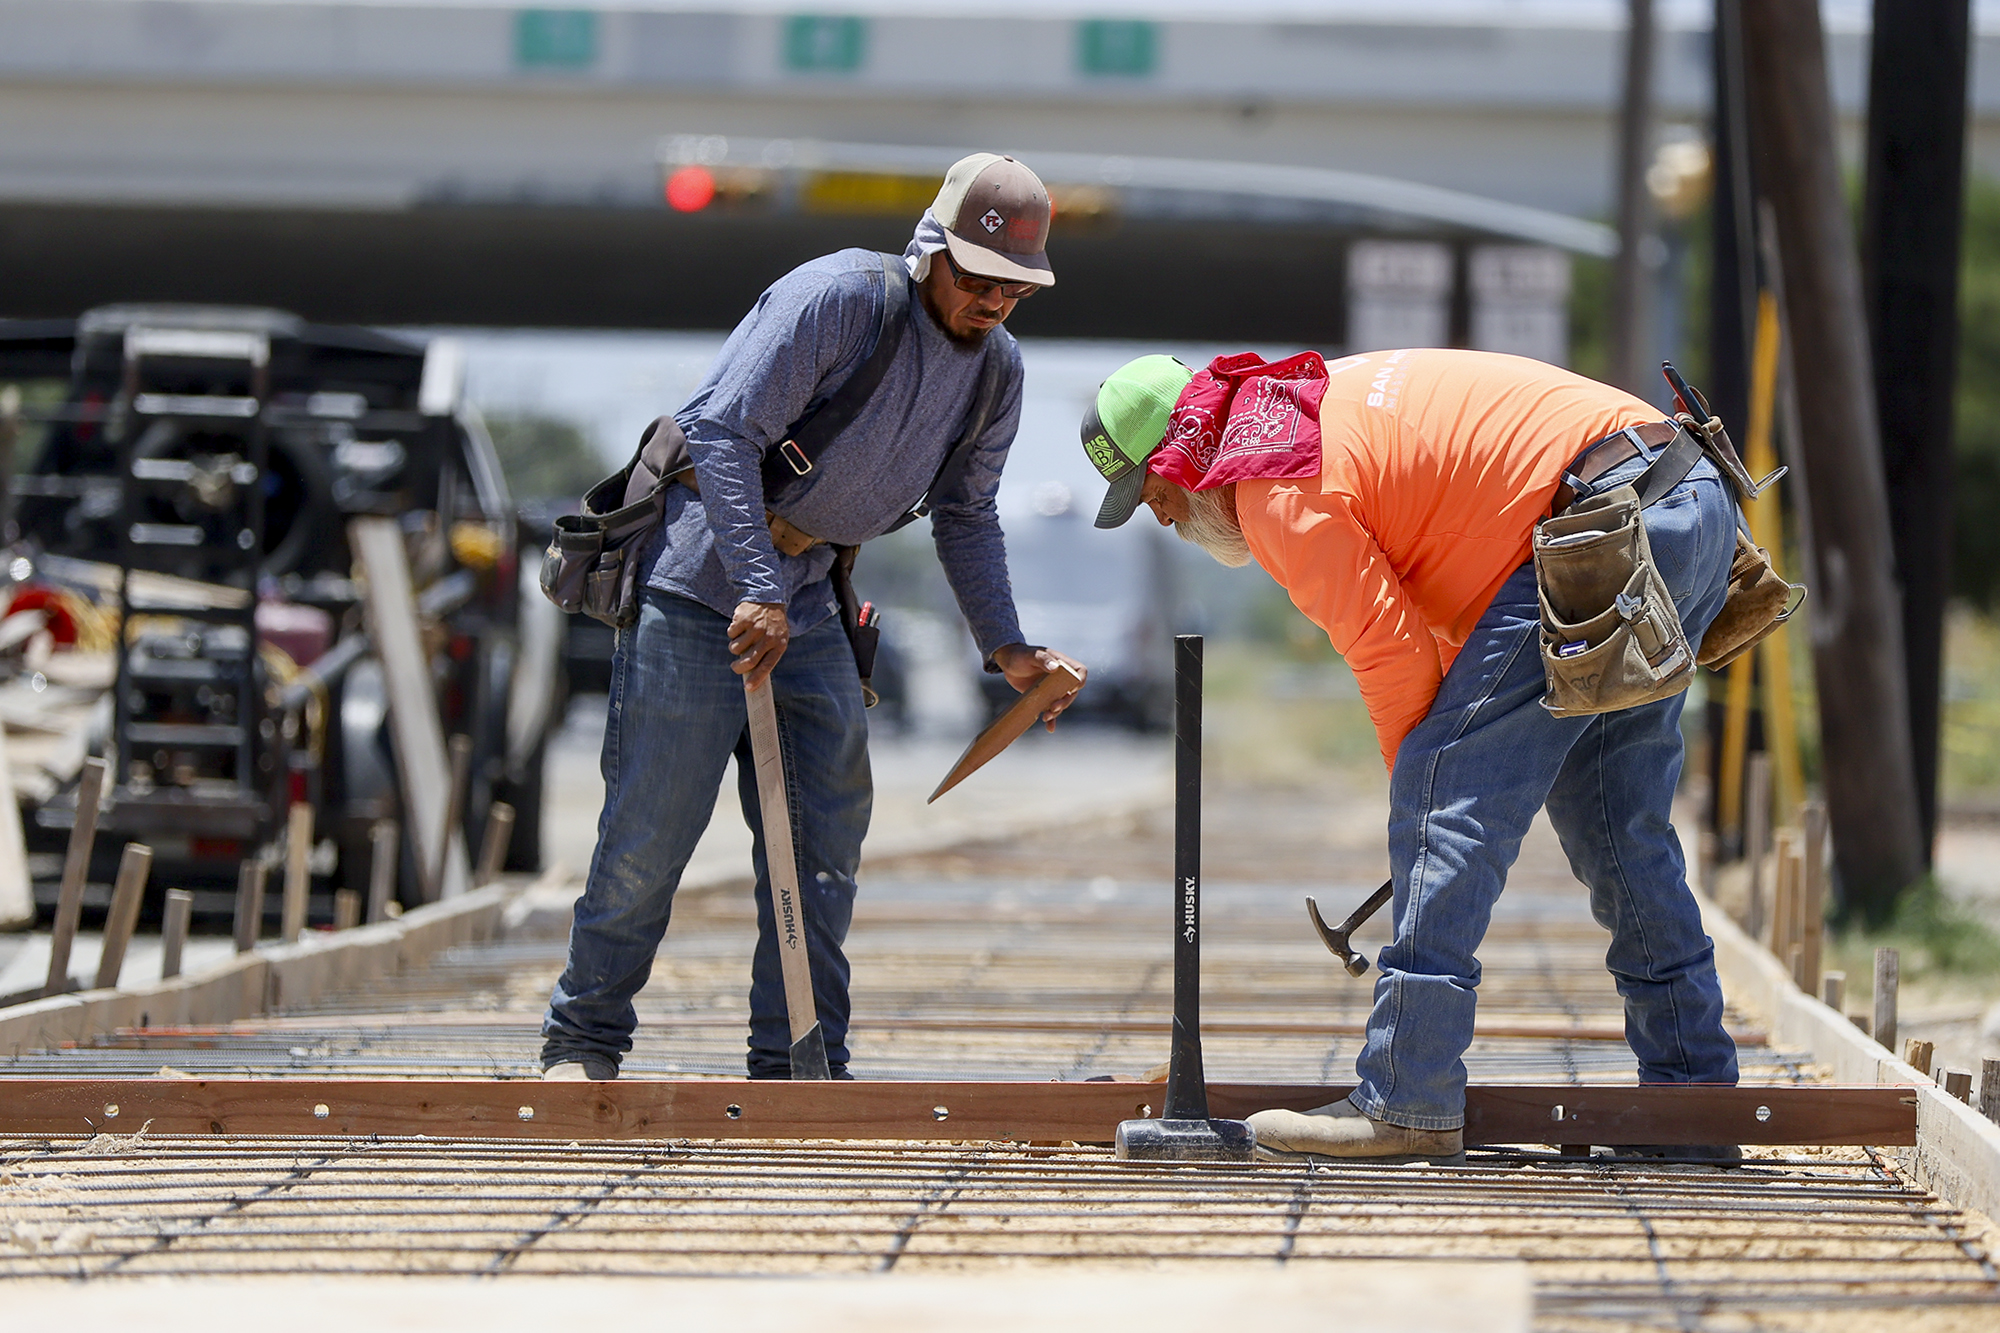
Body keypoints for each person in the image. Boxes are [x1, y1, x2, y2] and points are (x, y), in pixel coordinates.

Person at [1081, 348, 1739, 1160]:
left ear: (1180, 457)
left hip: (1601, 525)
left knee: (1444, 786)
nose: (1164, 519)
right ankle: (1695, 1107)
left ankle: (1406, 1095)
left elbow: (1390, 658)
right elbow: (1440, 616)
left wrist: (1428, 807)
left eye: (1154, 495)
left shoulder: (1275, 483)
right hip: (1685, 499)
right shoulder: (1297, 414)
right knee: (1614, 825)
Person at [541, 153, 1086, 1081]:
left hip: (810, 601)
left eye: (1013, 288)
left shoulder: (996, 372)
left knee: (822, 848)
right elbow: (718, 430)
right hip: (698, 585)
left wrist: (1007, 647)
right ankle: (584, 1041)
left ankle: (799, 1059)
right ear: (931, 253)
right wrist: (754, 582)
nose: (993, 301)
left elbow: (966, 513)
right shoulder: (840, 299)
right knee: (651, 834)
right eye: (978, 278)